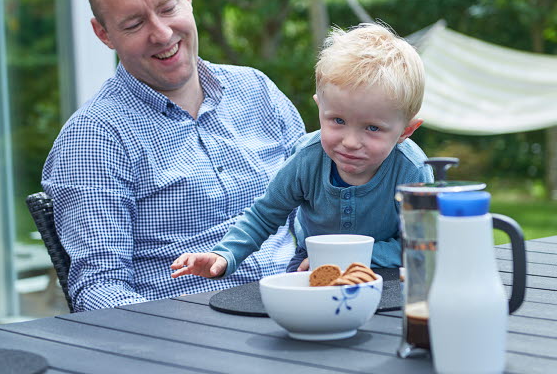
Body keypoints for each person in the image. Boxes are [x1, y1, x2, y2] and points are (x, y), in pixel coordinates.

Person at [41, 0, 305, 311]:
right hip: (195, 339)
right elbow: (100, 290)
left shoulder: (257, 91)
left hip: (306, 308)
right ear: (104, 34)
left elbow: (321, 205)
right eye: (134, 24)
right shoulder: (94, 139)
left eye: (167, 8)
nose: (161, 33)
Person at [170, 22, 433, 281]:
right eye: (338, 121)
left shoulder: (412, 170)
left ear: (405, 131)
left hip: (385, 266)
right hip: (311, 261)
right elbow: (265, 214)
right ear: (320, 108)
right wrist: (225, 255)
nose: (351, 142)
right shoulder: (308, 158)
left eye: (373, 128)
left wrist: (347, 258)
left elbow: (422, 245)